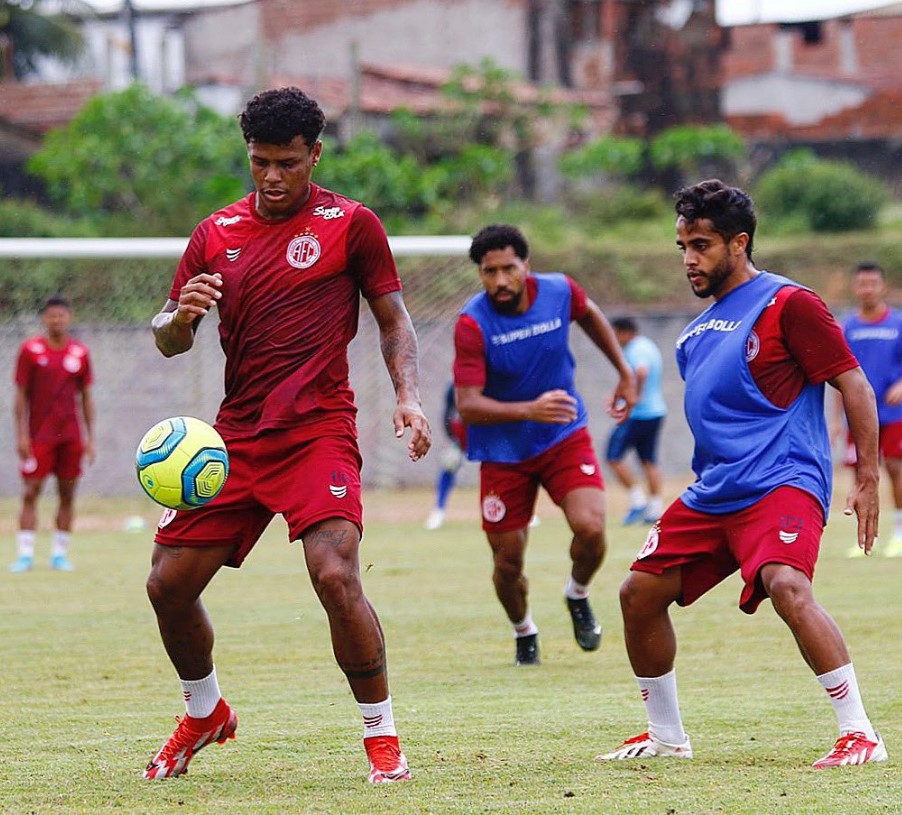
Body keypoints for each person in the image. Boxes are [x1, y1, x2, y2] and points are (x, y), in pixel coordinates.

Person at [143, 87, 431, 784]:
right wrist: (180, 316)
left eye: (287, 163)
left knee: (335, 573)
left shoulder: (352, 224)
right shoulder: (216, 233)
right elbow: (168, 339)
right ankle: (205, 711)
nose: (272, 177)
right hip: (236, 436)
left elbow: (393, 319)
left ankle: (382, 737)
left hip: (318, 431)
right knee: (167, 585)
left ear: (315, 156)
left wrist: (408, 396)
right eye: (260, 162)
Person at [598, 179, 886, 769]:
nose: (688, 260)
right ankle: (666, 735)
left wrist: (868, 477)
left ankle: (860, 731)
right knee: (638, 594)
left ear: (739, 244)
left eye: (701, 245)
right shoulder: (694, 333)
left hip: (783, 480)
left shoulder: (789, 304)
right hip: (715, 491)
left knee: (787, 584)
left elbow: (852, 382)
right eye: (682, 245)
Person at [453, 223, 636, 666]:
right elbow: (468, 405)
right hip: (502, 453)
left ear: (526, 266)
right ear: (480, 273)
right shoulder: (472, 323)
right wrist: (529, 409)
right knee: (508, 561)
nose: (499, 280)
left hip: (562, 436)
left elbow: (589, 314)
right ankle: (524, 631)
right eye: (489, 271)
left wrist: (624, 373)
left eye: (508, 269)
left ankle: (577, 594)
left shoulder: (559, 292)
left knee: (592, 528)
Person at [9, 294, 95, 573]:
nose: (56, 320)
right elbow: (21, 395)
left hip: (70, 436)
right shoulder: (30, 350)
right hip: (39, 436)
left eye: (61, 315)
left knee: (67, 493)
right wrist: (21, 435)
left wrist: (90, 438)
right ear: (44, 319)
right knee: (31, 491)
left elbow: (86, 397)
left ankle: (59, 554)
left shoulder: (79, 353)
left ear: (68, 317)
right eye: (51, 315)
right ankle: (25, 554)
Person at [832, 261, 902, 558]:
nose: (868, 289)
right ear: (855, 287)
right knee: (860, 473)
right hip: (859, 415)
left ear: (882, 286)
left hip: (894, 412)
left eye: (873, 283)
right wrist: (836, 418)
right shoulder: (848, 327)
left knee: (896, 467)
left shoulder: (897, 324)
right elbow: (837, 374)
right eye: (862, 283)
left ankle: (899, 532)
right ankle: (864, 537)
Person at [605, 316, 667, 526]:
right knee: (649, 460)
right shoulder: (649, 346)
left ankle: (638, 501)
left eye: (615, 334)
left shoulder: (635, 349)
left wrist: (634, 396)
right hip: (656, 411)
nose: (615, 339)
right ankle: (655, 508)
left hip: (639, 414)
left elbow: (641, 371)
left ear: (624, 332)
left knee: (613, 457)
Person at [423, 382, 468, 530]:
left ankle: (519, 511)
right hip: (462, 435)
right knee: (449, 466)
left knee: (504, 467)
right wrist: (452, 438)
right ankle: (439, 511)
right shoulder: (453, 387)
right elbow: (448, 414)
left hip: (486, 434)